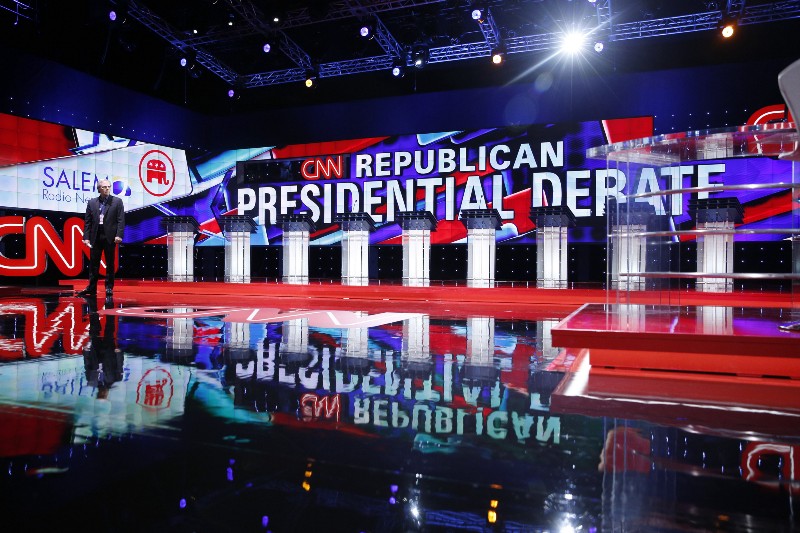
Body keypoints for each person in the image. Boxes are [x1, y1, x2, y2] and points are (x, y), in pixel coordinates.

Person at [77, 179, 124, 297]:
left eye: (109, 187)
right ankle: (91, 287)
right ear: (99, 189)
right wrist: (86, 237)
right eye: (104, 187)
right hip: (95, 235)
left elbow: (121, 220)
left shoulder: (117, 201)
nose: (107, 189)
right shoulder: (92, 202)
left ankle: (109, 287)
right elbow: (88, 221)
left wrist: (119, 235)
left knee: (110, 263)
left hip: (110, 236)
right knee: (93, 263)